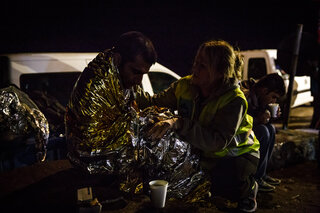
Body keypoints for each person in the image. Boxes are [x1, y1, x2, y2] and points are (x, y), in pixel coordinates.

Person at [137, 40, 260, 212]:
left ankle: (249, 189)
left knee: (226, 185)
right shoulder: (185, 85)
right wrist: (127, 88)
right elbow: (154, 102)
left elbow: (217, 141)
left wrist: (179, 123)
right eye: (195, 63)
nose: (194, 69)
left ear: (220, 72)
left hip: (237, 154)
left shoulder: (234, 100)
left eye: (202, 66)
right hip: (204, 154)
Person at [65, 31, 157, 173]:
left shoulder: (122, 78)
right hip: (90, 162)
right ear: (118, 59)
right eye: (136, 72)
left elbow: (143, 102)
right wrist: (139, 127)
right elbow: (88, 143)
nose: (139, 81)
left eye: (143, 75)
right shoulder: (95, 83)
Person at [240, 73, 286, 192]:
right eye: (273, 97)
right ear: (264, 90)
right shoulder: (246, 95)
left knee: (270, 128)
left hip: (248, 131)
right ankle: (256, 178)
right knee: (263, 131)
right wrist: (258, 120)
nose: (274, 100)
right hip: (236, 136)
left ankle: (262, 174)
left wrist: (270, 115)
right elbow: (239, 123)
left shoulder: (259, 96)